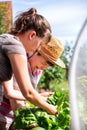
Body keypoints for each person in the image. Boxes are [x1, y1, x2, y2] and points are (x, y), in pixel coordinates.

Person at [0, 7, 58, 116]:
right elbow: (28, 93)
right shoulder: (15, 46)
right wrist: (51, 109)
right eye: (40, 44)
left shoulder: (5, 38)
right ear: (32, 35)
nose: (37, 49)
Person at [0, 36, 65, 130]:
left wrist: (38, 96)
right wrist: (30, 120)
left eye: (50, 64)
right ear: (36, 52)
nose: (46, 66)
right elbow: (14, 97)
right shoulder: (19, 61)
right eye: (46, 61)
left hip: (13, 118)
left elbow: (27, 93)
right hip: (2, 117)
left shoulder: (38, 70)